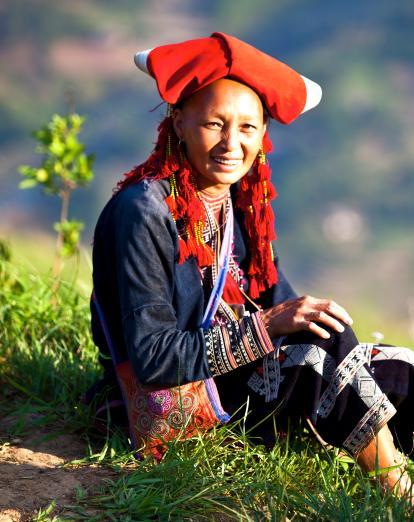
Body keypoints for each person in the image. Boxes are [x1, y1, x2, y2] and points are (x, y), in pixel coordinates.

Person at [89, 32, 414, 501]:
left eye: (246, 128)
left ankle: (384, 452)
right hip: (174, 402)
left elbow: (281, 305)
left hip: (235, 376)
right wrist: (270, 327)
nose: (231, 143)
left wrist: (318, 329)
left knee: (393, 363)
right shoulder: (145, 211)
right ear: (178, 123)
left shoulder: (240, 205)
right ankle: (397, 491)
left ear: (263, 135)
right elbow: (154, 358)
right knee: (317, 352)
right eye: (214, 124)